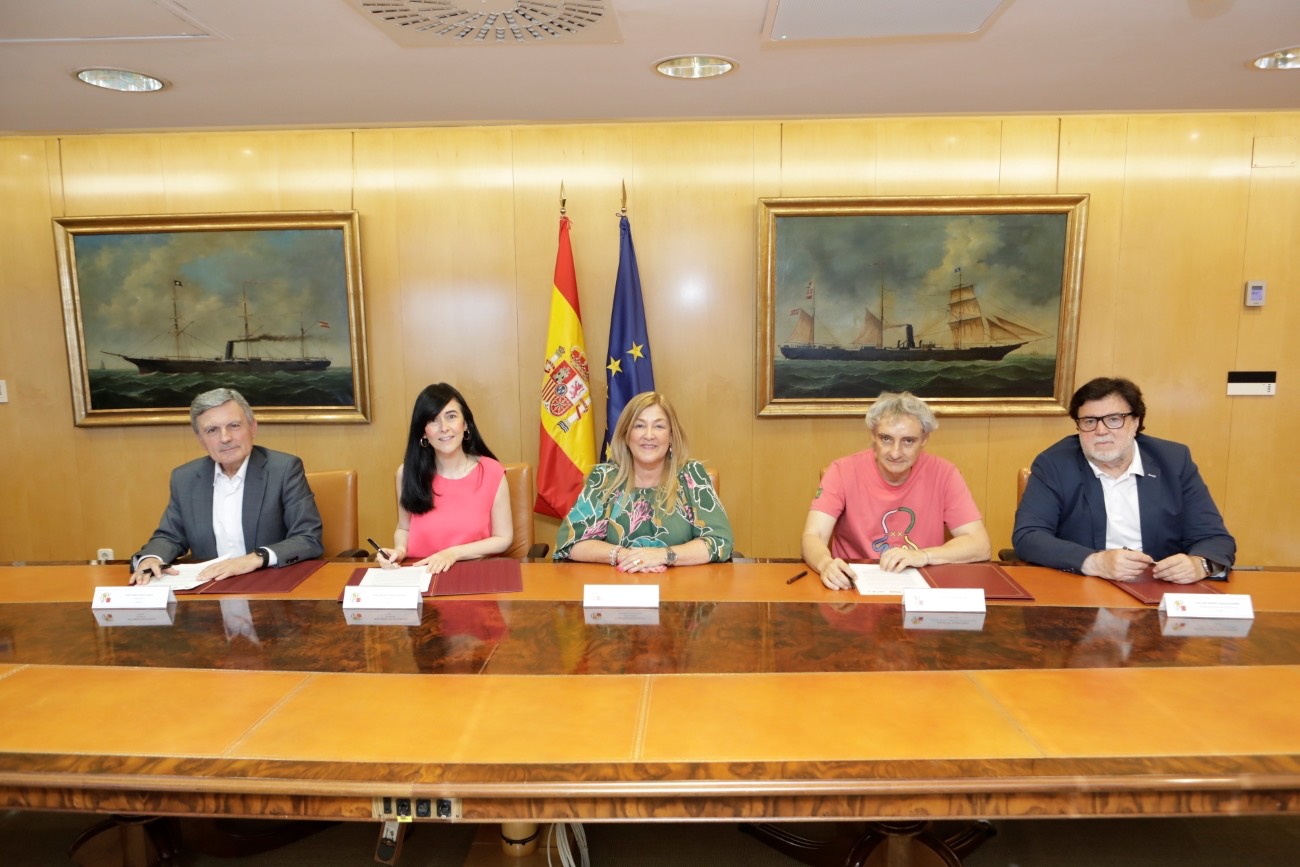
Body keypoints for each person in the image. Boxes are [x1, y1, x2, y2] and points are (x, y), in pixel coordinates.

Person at [1012, 376, 1235, 583]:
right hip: (1084, 586)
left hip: (1159, 587)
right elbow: (1029, 536)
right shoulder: (1055, 464)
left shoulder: (1173, 461)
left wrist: (1200, 565)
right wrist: (1094, 562)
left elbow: (1214, 538)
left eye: (1114, 419)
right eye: (1089, 421)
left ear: (1136, 422)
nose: (1101, 430)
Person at [130, 388, 323, 585]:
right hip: (209, 587)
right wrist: (151, 558)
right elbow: (170, 536)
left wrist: (253, 559)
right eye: (212, 430)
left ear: (253, 428)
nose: (225, 438)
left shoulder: (283, 469)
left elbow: (307, 538)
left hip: (271, 583)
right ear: (201, 440)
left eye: (234, 426)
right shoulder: (185, 478)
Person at [802, 391, 991, 589]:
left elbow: (979, 544)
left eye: (908, 441)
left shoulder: (945, 473)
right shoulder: (842, 471)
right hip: (853, 585)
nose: (895, 453)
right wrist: (825, 564)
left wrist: (923, 556)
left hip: (922, 587)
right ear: (873, 435)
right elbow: (813, 535)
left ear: (924, 438)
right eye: (886, 439)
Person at [554, 391, 733, 571]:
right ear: (626, 434)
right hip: (618, 584)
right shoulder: (604, 479)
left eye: (659, 426)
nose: (649, 435)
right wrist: (626, 556)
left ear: (671, 436)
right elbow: (570, 544)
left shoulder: (691, 476)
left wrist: (663, 556)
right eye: (639, 426)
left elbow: (719, 541)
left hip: (682, 586)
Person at [374, 383, 512, 573]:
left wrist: (453, 553)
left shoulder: (492, 472)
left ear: (466, 424)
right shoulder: (407, 473)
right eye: (433, 420)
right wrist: (399, 551)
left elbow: (503, 539)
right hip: (420, 575)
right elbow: (404, 528)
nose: (444, 428)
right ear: (423, 431)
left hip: (473, 576)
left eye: (451, 417)